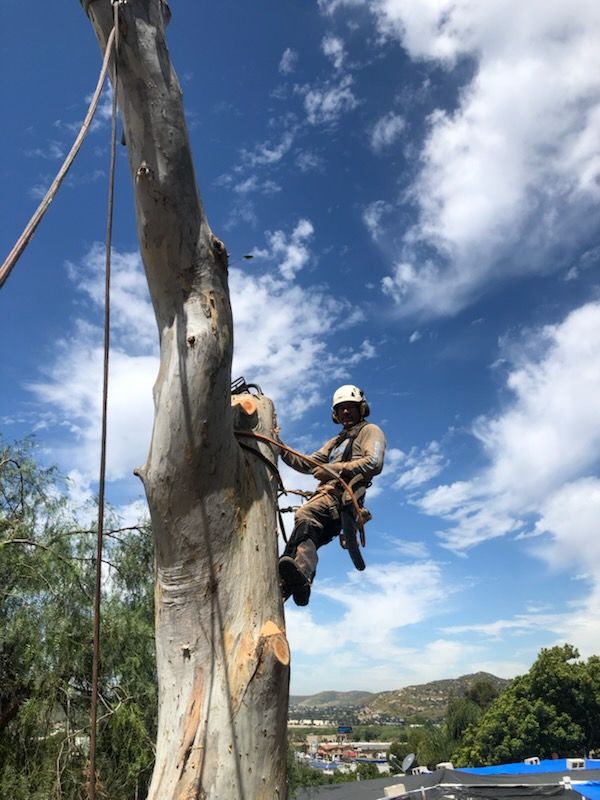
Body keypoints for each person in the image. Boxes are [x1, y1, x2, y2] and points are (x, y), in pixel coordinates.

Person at [278, 384, 386, 606]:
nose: (345, 412)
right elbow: (307, 464)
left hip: (341, 497)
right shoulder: (335, 442)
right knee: (305, 531)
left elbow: (374, 463)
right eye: (341, 409)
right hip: (326, 498)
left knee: (306, 515)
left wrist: (335, 469)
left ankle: (299, 575)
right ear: (335, 414)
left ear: (361, 408)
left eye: (350, 407)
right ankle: (294, 582)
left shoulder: (369, 431)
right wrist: (278, 445)